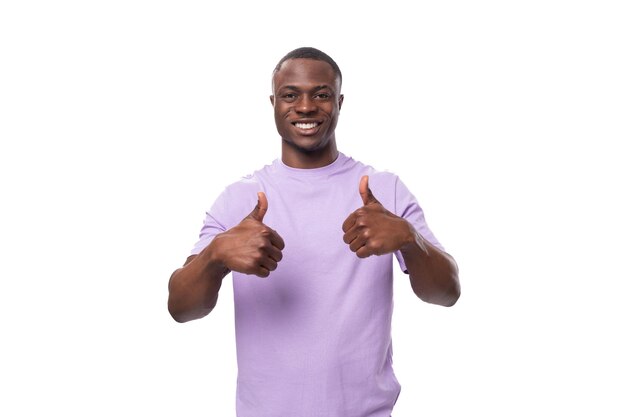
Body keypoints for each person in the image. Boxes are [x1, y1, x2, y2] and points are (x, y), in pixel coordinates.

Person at [168, 47, 460, 417]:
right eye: (291, 95)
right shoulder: (240, 198)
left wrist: (409, 239)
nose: (305, 107)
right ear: (273, 102)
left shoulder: (385, 190)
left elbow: (447, 293)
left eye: (321, 94)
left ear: (339, 102)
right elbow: (181, 308)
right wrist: (214, 257)